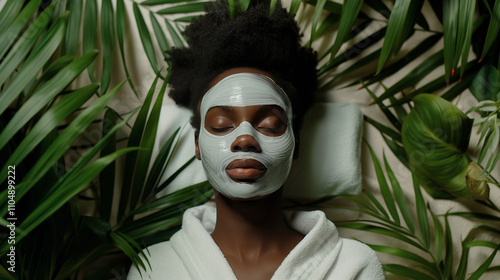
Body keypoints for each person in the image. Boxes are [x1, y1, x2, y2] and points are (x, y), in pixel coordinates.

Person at [128, 1, 384, 279]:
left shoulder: (351, 266)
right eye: (221, 125)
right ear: (198, 144)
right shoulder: (154, 267)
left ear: (295, 141)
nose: (245, 139)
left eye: (271, 126)